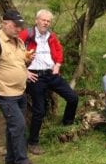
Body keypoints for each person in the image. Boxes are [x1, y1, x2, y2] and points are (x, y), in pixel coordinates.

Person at [19, 9, 78, 155]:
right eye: (43, 20)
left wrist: (58, 65)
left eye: (48, 21)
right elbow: (13, 52)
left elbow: (59, 50)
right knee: (40, 110)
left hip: (51, 74)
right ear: (36, 20)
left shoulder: (51, 36)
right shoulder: (27, 34)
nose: (46, 23)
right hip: (35, 77)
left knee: (73, 98)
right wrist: (24, 71)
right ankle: (33, 142)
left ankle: (66, 125)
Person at [0, 10, 36, 164]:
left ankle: (10, 159)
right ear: (4, 23)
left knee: (12, 127)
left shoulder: (18, 41)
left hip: (21, 92)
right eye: (15, 25)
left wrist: (27, 61)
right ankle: (22, 160)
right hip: (5, 94)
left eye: (20, 26)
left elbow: (20, 65)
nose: (18, 29)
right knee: (19, 125)